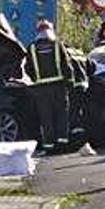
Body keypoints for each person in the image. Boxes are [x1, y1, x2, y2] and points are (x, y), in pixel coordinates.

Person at [24, 19, 74, 154]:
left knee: (46, 118)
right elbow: (67, 65)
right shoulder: (58, 45)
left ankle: (49, 146)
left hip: (40, 89)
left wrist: (34, 79)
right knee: (61, 115)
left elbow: (27, 68)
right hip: (59, 87)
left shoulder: (32, 47)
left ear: (38, 32)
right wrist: (70, 82)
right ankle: (62, 144)